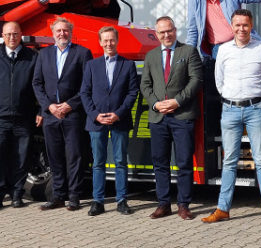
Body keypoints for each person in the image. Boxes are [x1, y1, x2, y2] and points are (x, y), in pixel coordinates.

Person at [201, 9, 261, 225]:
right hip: (230, 110)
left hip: (255, 109)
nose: (241, 29)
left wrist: (260, 100)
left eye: (245, 25)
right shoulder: (224, 50)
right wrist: (231, 99)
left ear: (251, 26)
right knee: (229, 161)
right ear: (232, 27)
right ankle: (223, 209)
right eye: (237, 25)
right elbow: (219, 81)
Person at [140, 16, 202, 220]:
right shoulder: (150, 56)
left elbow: (196, 80)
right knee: (160, 163)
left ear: (175, 30)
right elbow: (145, 85)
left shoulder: (189, 51)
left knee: (184, 162)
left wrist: (177, 101)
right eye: (162, 32)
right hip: (158, 117)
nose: (166, 35)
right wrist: (156, 103)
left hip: (182, 115)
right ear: (156, 34)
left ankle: (184, 204)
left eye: (169, 31)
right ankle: (163, 204)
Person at [32, 17, 92, 211]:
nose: (62, 34)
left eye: (65, 31)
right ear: (53, 33)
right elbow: (37, 83)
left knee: (74, 156)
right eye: (58, 31)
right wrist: (49, 106)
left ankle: (74, 197)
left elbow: (87, 85)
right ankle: (58, 196)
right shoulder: (43, 54)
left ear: (71, 32)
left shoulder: (82, 53)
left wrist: (70, 104)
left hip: (72, 114)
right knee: (54, 157)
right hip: (51, 115)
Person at [0, 22, 38, 211]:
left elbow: (40, 87)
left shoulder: (32, 57)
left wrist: (41, 110)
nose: (12, 37)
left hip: (24, 117)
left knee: (21, 157)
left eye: (15, 34)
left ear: (21, 35)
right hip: (0, 118)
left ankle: (17, 194)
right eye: (8, 34)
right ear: (2, 36)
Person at [80, 26, 139, 216]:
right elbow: (84, 93)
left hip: (119, 121)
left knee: (121, 161)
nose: (108, 44)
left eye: (111, 40)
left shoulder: (128, 65)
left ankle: (122, 200)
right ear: (100, 42)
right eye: (105, 40)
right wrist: (94, 114)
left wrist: (119, 113)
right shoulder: (91, 65)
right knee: (98, 162)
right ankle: (98, 201)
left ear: (117, 40)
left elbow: (132, 93)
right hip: (97, 122)